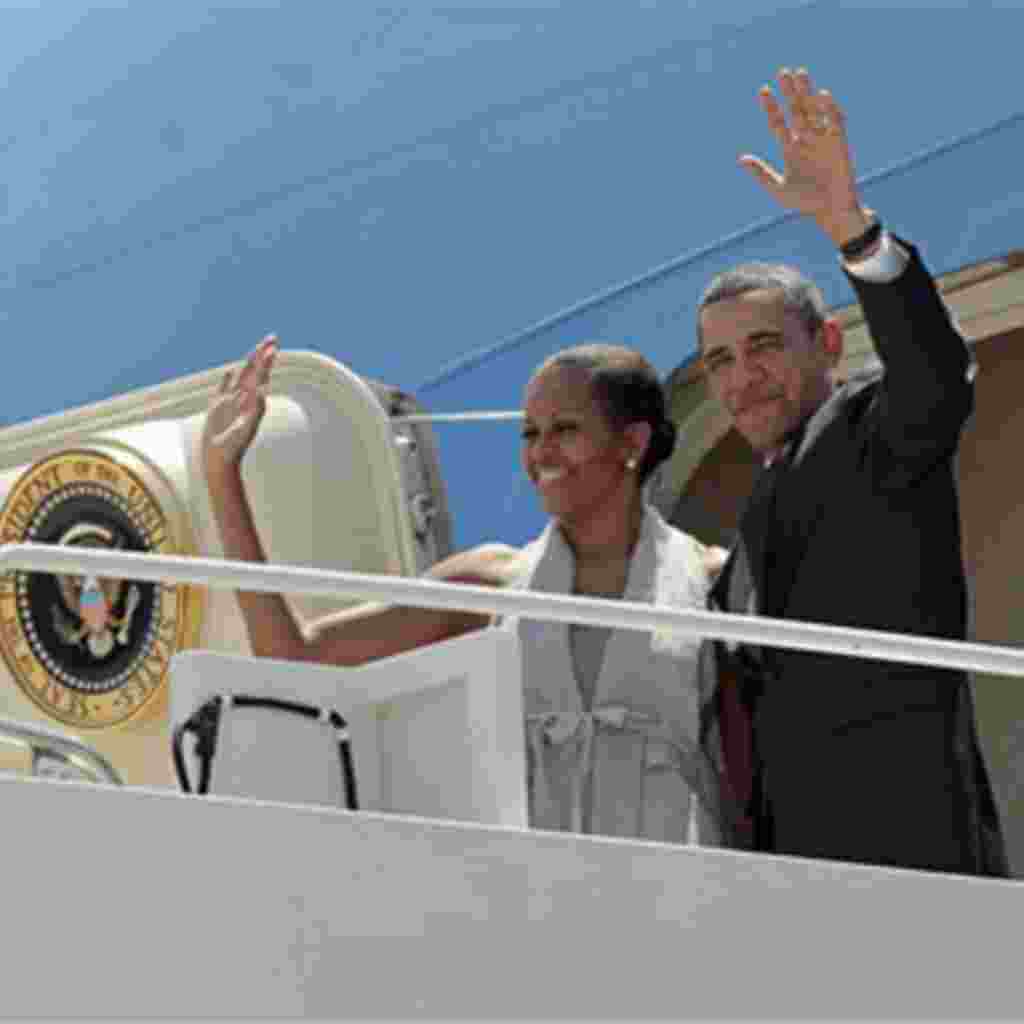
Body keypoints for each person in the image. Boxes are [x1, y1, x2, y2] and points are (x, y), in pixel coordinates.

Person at [202, 338, 733, 845]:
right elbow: (292, 655)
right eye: (530, 434)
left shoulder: (713, 580)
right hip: (528, 909)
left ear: (632, 443)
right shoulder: (489, 583)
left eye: (564, 429)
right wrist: (221, 476)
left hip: (681, 909)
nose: (541, 453)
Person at [699, 67, 1008, 874]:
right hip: (794, 877)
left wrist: (847, 224)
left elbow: (934, 375)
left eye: (764, 346)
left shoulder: (870, 430)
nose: (741, 379)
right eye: (719, 362)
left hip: (910, 855)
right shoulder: (748, 520)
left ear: (828, 345)